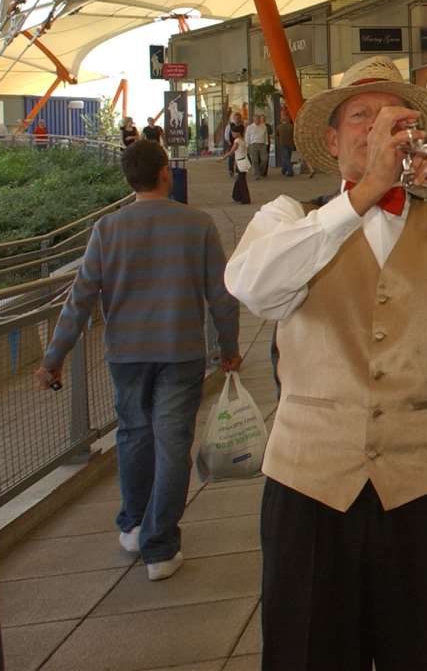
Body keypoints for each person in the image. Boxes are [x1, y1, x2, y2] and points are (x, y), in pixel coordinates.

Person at [225, 56, 427, 670]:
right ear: (331, 139)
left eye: (390, 119)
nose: (375, 131)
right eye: (360, 117)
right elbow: (256, 288)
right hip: (310, 493)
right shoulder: (290, 218)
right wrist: (365, 193)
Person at [35, 139, 243, 581]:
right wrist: (229, 348)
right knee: (172, 447)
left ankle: (132, 525)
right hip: (180, 352)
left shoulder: (107, 231)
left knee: (133, 437)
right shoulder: (198, 225)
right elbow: (222, 299)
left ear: (130, 180)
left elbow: (79, 300)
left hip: (126, 355)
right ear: (166, 173)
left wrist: (54, 357)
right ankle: (161, 547)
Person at [246, 113, 270, 179]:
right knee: (255, 160)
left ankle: (260, 172)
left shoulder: (264, 126)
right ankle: (257, 174)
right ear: (253, 119)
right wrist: (247, 145)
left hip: (262, 145)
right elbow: (247, 137)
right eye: (256, 119)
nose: (257, 120)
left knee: (265, 159)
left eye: (258, 119)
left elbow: (266, 136)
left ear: (260, 119)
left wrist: (266, 143)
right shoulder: (250, 127)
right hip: (253, 144)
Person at [230, 133, 251, 204]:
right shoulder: (243, 140)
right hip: (244, 161)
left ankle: (245, 199)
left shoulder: (237, 141)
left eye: (233, 132)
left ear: (238, 132)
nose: (232, 134)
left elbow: (232, 151)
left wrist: (223, 158)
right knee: (239, 180)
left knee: (241, 181)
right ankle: (236, 196)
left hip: (240, 162)